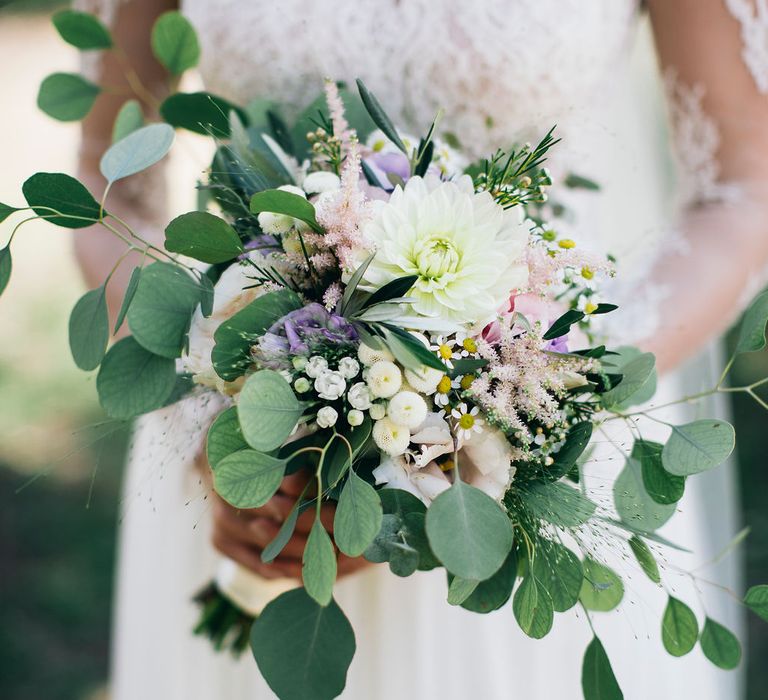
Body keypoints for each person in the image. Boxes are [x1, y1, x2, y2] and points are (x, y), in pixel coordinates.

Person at [73, 1, 768, 697]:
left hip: (527, 423)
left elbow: (741, 190)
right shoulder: (229, 431)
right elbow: (106, 193)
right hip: (243, 437)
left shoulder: (538, 394)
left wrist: (534, 391)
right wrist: (220, 424)